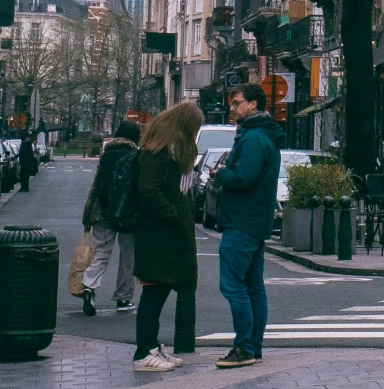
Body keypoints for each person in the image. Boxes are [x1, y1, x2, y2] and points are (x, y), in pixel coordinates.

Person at [210, 83, 282, 369]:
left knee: (233, 285)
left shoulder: (253, 138)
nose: (232, 107)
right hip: (255, 219)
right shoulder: (264, 135)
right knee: (253, 286)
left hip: (242, 220)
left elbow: (243, 178)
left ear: (253, 105)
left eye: (237, 103)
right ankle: (253, 346)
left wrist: (222, 173)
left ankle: (244, 346)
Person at [129, 100, 201, 373]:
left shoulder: (167, 149)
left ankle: (151, 345)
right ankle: (143, 352)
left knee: (159, 290)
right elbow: (149, 191)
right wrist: (172, 216)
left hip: (165, 231)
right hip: (159, 232)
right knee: (154, 290)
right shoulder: (158, 152)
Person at [79, 119, 140, 315]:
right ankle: (123, 297)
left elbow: (96, 187)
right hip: (127, 214)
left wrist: (87, 215)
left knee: (102, 253)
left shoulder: (106, 156)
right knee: (127, 257)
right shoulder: (136, 156)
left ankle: (89, 286)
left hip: (103, 212)